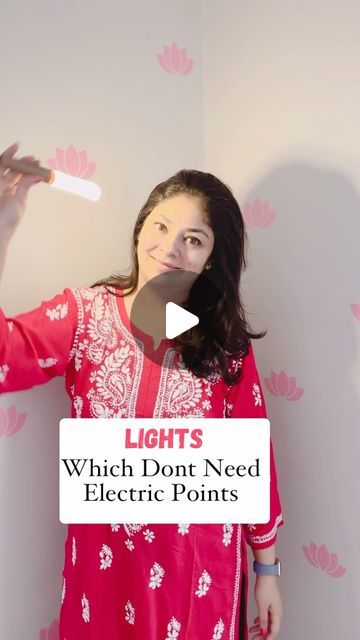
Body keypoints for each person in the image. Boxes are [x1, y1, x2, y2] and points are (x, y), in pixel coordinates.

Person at [0, 143, 284, 640]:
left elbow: (254, 459)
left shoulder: (225, 347)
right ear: (140, 228)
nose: (170, 247)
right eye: (160, 225)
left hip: (199, 581)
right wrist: (4, 224)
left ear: (212, 260)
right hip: (103, 577)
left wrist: (267, 573)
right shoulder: (83, 317)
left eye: (193, 239)